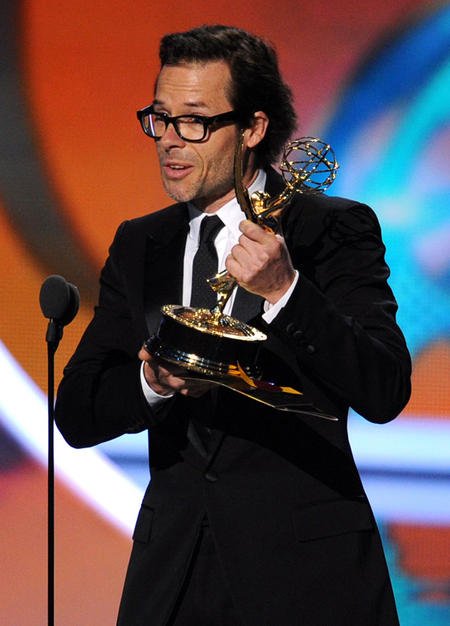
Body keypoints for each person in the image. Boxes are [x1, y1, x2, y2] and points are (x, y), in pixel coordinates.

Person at [55, 24, 411, 626]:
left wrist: (285, 292)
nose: (170, 141)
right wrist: (154, 384)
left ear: (253, 128)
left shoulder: (330, 228)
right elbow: (78, 412)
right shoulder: (141, 243)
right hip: (173, 580)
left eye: (194, 122)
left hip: (306, 580)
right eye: (160, 118)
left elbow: (384, 389)